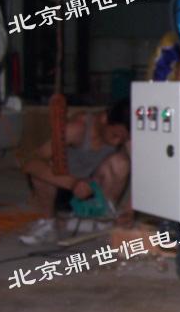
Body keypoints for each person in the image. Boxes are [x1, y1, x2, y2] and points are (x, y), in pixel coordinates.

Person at [19, 99, 132, 245]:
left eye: (122, 139)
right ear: (104, 120)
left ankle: (102, 221)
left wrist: (129, 211)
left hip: (93, 191)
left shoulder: (123, 133)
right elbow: (30, 163)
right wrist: (72, 183)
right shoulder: (77, 129)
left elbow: (142, 171)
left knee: (121, 163)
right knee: (41, 171)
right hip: (63, 190)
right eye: (114, 135)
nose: (117, 142)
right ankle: (48, 223)